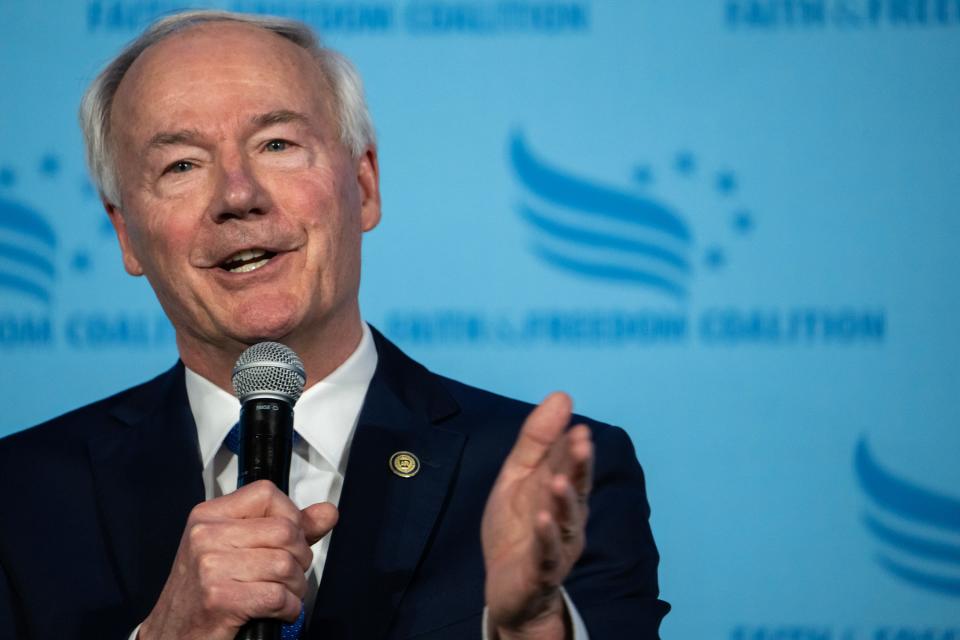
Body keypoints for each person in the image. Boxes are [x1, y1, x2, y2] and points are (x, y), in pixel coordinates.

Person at [0, 10, 668, 640]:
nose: (238, 195)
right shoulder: (22, 498)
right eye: (181, 165)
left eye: (277, 143)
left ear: (365, 184)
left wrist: (529, 630)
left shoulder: (548, 481)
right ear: (126, 235)